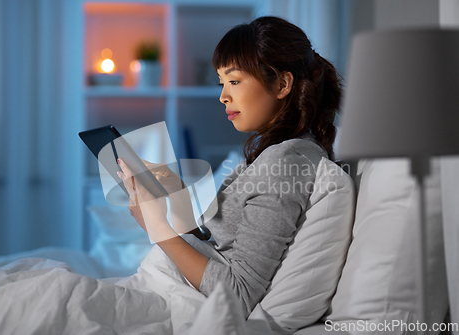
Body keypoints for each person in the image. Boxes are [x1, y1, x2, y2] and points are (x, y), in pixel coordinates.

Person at [117, 16, 342, 317]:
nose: (223, 96)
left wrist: (158, 228)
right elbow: (218, 247)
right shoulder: (274, 154)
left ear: (283, 83)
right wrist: (177, 194)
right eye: (222, 83)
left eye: (234, 81)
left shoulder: (286, 162)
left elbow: (238, 293)